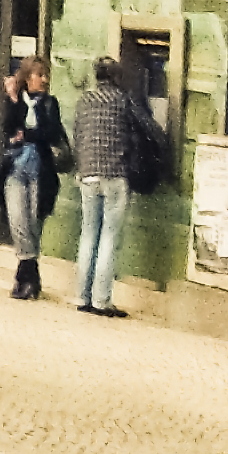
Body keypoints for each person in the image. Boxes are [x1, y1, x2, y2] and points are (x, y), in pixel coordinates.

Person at [68, 59, 142, 319]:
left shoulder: (84, 100)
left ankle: (81, 296)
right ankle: (102, 300)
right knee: (109, 237)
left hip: (87, 174)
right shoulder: (124, 100)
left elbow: (77, 137)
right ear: (117, 77)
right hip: (114, 175)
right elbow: (144, 130)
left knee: (88, 234)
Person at [0, 57, 67, 302]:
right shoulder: (16, 101)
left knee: (33, 225)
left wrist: (26, 133)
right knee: (18, 221)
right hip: (16, 168)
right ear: (28, 78)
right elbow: (7, 128)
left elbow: (51, 132)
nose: (45, 79)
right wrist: (14, 100)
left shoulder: (50, 103)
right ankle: (30, 275)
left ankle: (24, 278)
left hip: (40, 170)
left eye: (46, 75)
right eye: (40, 75)